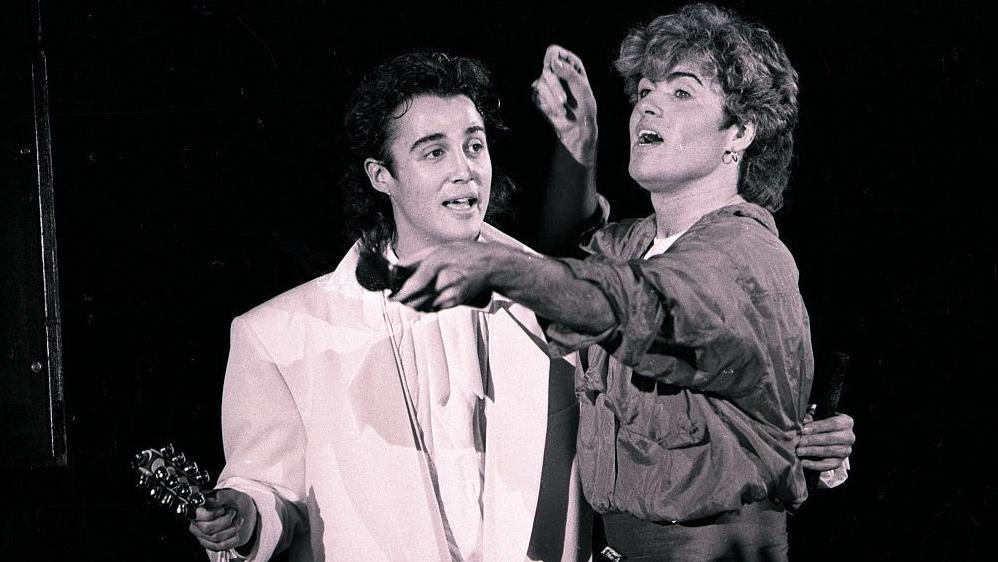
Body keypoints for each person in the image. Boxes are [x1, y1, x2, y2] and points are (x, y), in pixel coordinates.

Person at [393, 4, 852, 560]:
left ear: (741, 130)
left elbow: (645, 306)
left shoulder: (748, 255)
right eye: (643, 92)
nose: (648, 105)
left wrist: (499, 269)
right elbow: (572, 257)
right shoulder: (634, 243)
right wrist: (580, 139)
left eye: (681, 92)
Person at [186, 52, 591, 561]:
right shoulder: (278, 334)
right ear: (382, 176)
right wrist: (246, 517)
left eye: (474, 145)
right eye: (434, 153)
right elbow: (269, 493)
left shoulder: (559, 303)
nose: (465, 171)